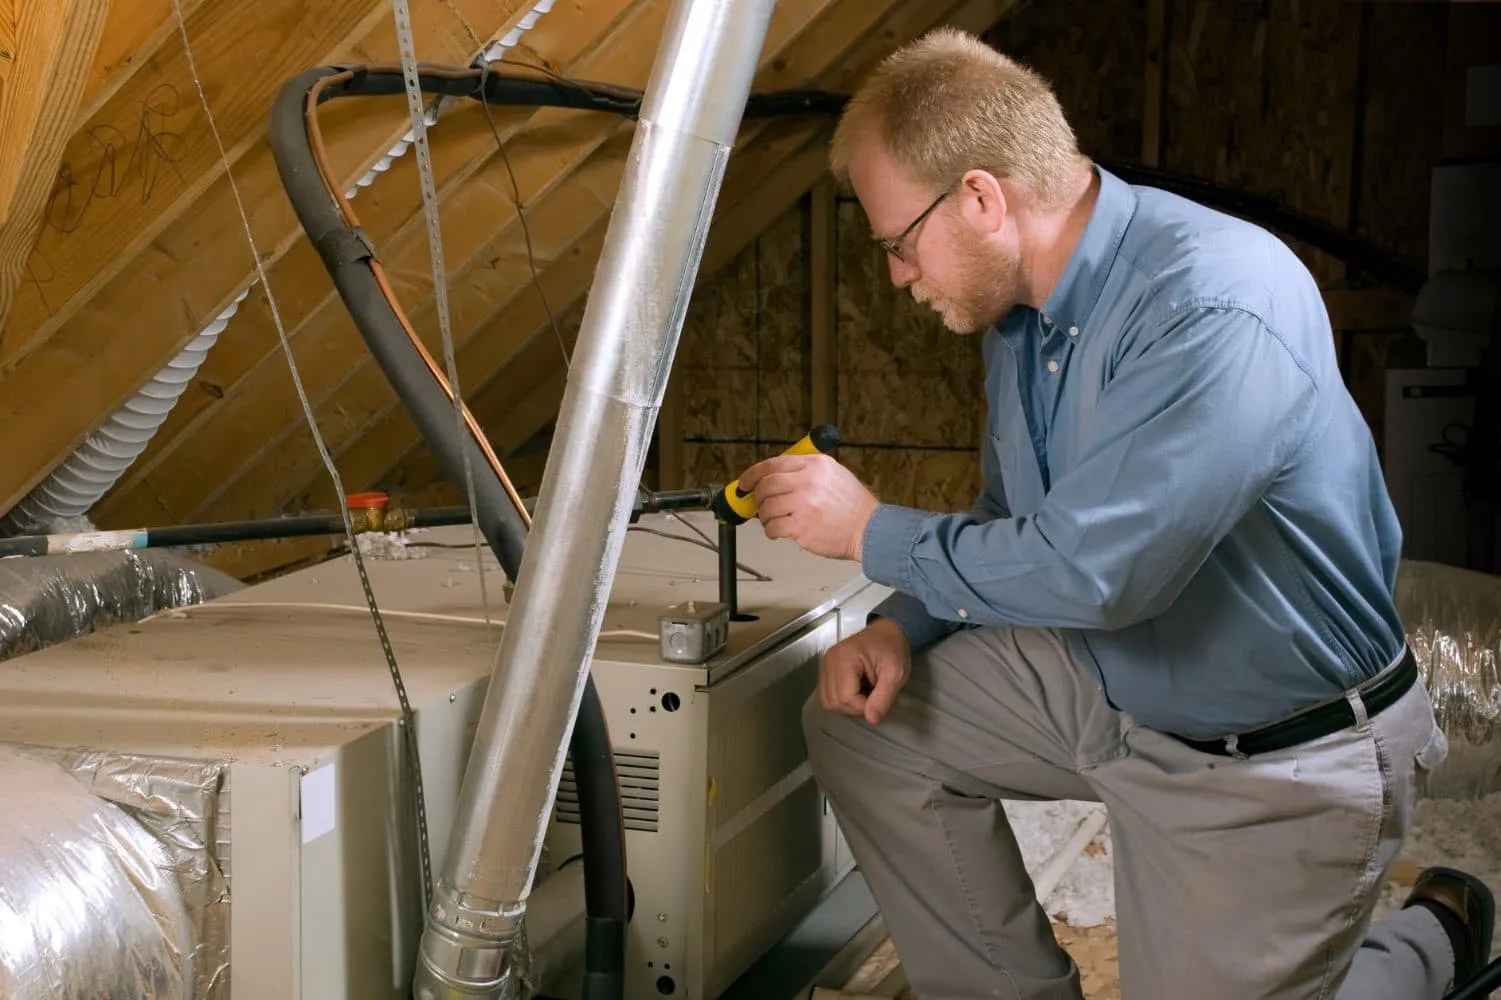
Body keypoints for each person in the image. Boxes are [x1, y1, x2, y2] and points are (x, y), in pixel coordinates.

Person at [735, 26, 1495, 1000]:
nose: (896, 275)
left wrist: (866, 530)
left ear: (979, 198)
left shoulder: (1212, 301)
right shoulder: (1023, 317)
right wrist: (899, 622)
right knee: (861, 725)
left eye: (899, 242)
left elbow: (1099, 574)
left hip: (1273, 755)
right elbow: (1014, 513)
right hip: (1118, 684)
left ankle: (1430, 938)